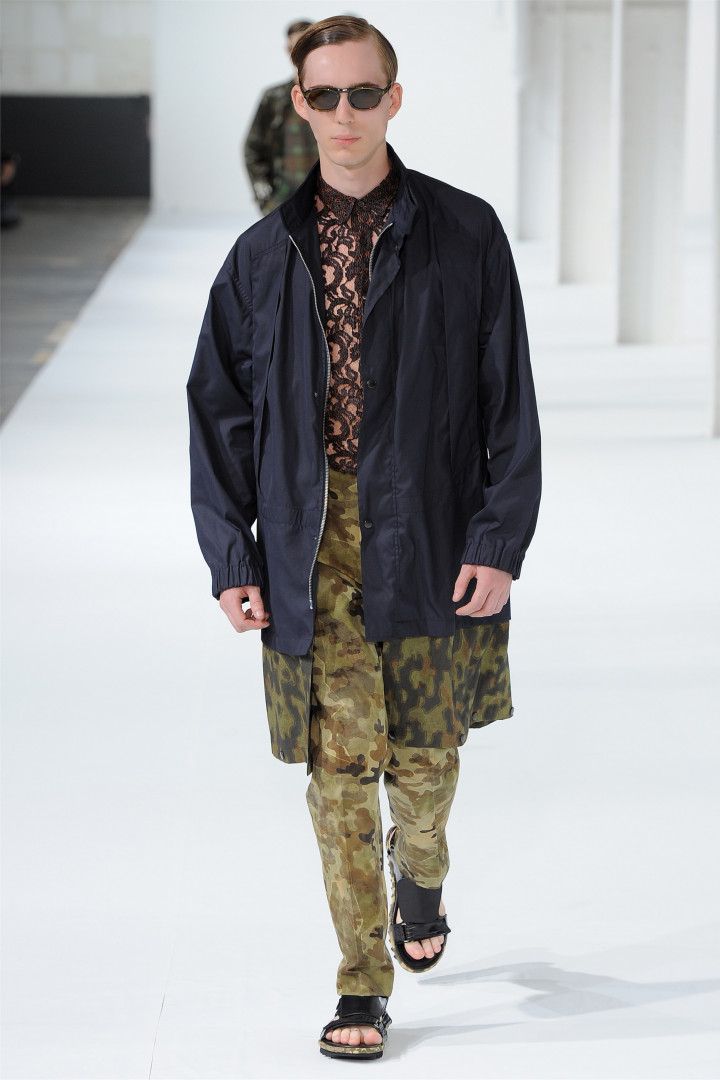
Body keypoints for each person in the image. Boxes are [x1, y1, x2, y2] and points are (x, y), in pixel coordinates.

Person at [188, 15, 541, 1062]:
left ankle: (420, 875)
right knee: (338, 772)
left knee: (425, 760)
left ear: (394, 97)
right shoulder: (261, 257)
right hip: (311, 540)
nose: (344, 114)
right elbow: (219, 413)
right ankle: (360, 981)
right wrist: (233, 555)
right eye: (325, 95)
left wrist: (499, 537)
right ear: (299, 104)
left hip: (429, 529)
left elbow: (509, 400)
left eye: (363, 93)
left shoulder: (466, 234)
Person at [243, 19, 319, 214]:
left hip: (325, 201)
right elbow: (253, 149)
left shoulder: (333, 97)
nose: (302, 54)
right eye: (296, 47)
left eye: (308, 46)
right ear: (288, 50)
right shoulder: (273, 98)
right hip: (283, 201)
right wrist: (265, 196)